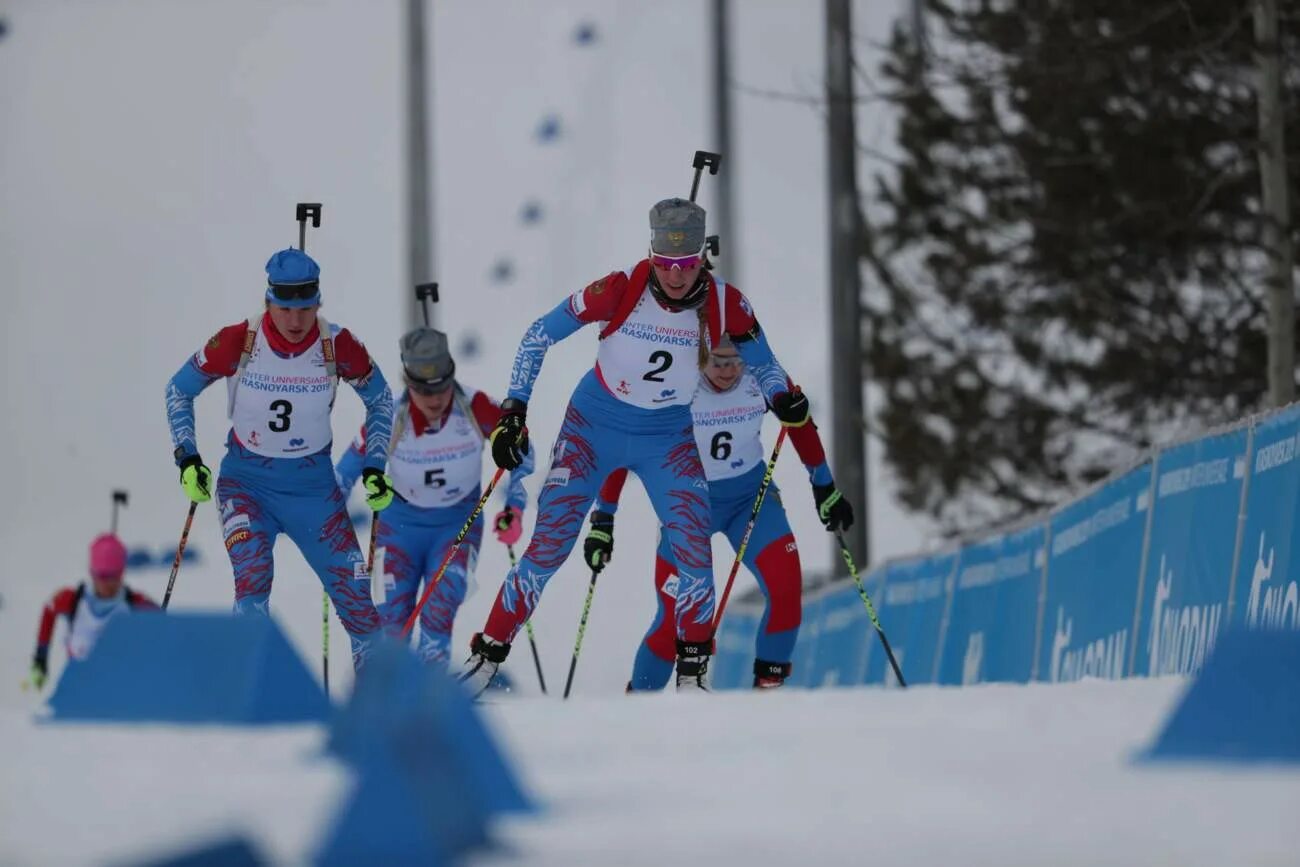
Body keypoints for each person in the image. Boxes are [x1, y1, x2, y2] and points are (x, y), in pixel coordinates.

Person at [460, 197, 815, 694]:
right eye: (665, 264)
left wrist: (782, 398)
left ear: (701, 259)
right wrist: (514, 413)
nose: (675, 276)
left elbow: (768, 366)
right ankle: (486, 659)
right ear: (651, 252)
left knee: (693, 549)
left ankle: (693, 676)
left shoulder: (725, 303)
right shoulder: (620, 288)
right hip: (593, 426)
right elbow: (538, 334)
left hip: (666, 436)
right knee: (549, 547)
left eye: (687, 264)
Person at [163, 248, 394, 670]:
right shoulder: (238, 339)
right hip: (246, 484)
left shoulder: (338, 344)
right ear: (269, 301)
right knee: (252, 582)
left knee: (359, 603)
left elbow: (381, 400)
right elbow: (178, 390)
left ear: (318, 303)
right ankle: (249, 690)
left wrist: (375, 466)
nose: (295, 320)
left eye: (305, 309)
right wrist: (188, 459)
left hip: (313, 489)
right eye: (285, 308)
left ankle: (375, 707)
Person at [585, 338, 854, 691]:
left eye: (735, 363)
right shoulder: (674, 383)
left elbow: (801, 426)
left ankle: (768, 692)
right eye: (717, 362)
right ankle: (638, 709)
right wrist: (604, 517)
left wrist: (825, 488)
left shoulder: (763, 375)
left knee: (787, 592)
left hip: (750, 500)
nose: (728, 372)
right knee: (673, 621)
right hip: (687, 505)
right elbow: (626, 447)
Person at [336, 327, 534, 666]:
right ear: (408, 383)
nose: (435, 399)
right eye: (424, 390)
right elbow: (344, 473)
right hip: (399, 531)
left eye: (442, 386)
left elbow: (523, 450)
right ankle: (380, 706)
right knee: (390, 628)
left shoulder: (477, 407)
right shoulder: (389, 418)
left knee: (437, 618)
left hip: (456, 528)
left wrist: (514, 506)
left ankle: (432, 707)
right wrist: (328, 524)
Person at [26, 534, 157, 690]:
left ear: (122, 573)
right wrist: (41, 657)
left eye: (113, 576)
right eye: (101, 575)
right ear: (92, 573)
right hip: (78, 690)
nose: (107, 583)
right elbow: (49, 609)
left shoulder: (135, 603)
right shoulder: (73, 600)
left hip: (119, 691)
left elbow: (164, 625)